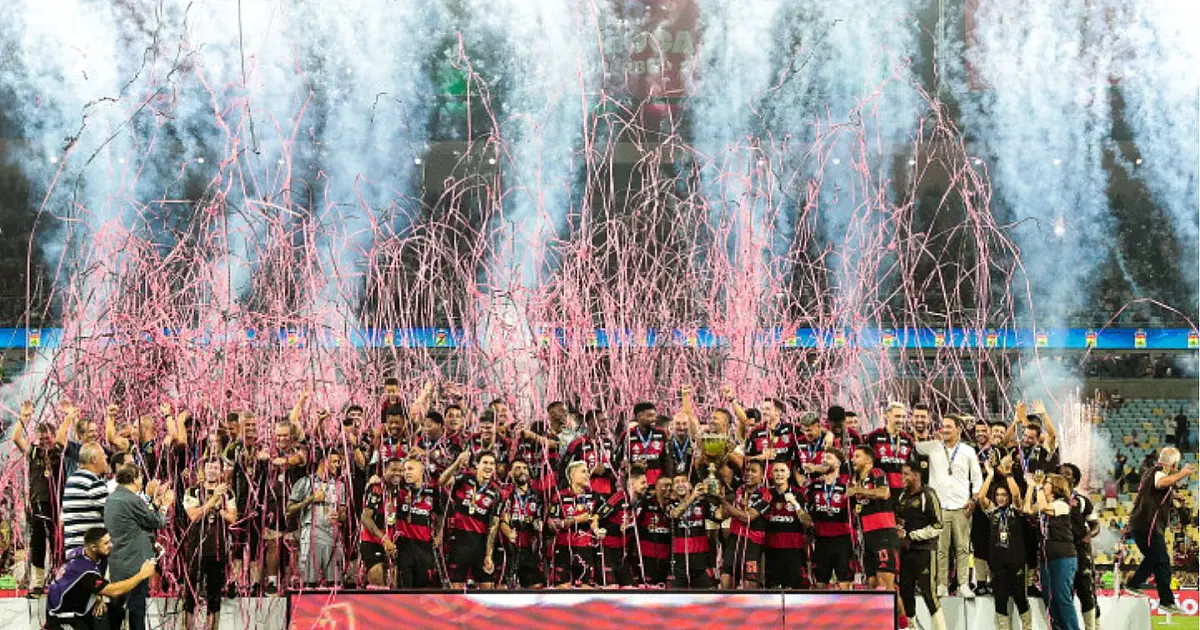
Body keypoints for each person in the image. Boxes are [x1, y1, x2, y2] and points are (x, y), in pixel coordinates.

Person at [916, 414, 981, 597]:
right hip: (940, 507)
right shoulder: (933, 447)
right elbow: (913, 445)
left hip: (961, 505)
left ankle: (963, 584)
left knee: (962, 548)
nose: (944, 429)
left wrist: (974, 499)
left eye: (948, 426)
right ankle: (942, 584)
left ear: (958, 429)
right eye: (943, 426)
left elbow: (977, 477)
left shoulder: (968, 451)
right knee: (940, 549)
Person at [1125, 447, 1193, 615]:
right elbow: (1160, 483)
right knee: (1161, 559)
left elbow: (1156, 489)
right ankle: (1166, 601)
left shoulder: (1149, 472)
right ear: (1174, 463)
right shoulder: (1159, 471)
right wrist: (1183, 473)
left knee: (1154, 557)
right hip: (1148, 524)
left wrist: (1174, 495)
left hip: (1141, 523)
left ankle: (1133, 584)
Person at [104, 463, 173, 630]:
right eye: (140, 477)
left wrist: (153, 504)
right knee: (136, 612)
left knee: (116, 612)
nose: (142, 481)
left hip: (118, 564)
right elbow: (156, 521)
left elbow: (140, 518)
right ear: (134, 479)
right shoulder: (131, 499)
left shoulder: (112, 498)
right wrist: (165, 505)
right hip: (136, 565)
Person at [45, 527, 157, 630]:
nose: (111, 545)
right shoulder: (84, 571)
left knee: (116, 612)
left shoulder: (88, 553)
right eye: (106, 543)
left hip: (79, 608)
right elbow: (114, 591)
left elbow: (85, 585)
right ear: (93, 547)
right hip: (62, 617)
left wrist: (98, 597)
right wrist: (141, 575)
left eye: (110, 541)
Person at [11, 400, 62, 594]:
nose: (43, 441)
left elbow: (62, 439)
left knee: (58, 542)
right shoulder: (34, 452)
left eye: (46, 438)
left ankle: (60, 578)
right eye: (41, 438)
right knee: (38, 543)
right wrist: (24, 416)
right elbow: (16, 438)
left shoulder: (58, 452)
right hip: (37, 504)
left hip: (56, 506)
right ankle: (38, 582)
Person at [181, 458, 236, 629]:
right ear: (203, 470)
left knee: (215, 594)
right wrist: (213, 500)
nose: (212, 470)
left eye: (215, 467)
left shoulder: (229, 493)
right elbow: (194, 516)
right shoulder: (192, 491)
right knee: (190, 593)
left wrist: (219, 509)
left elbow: (232, 518)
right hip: (196, 548)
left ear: (221, 471)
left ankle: (212, 627)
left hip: (217, 549)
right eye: (208, 467)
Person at [977, 456, 1030, 630]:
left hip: (1015, 559)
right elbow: (981, 497)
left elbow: (1016, 495)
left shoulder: (1015, 510)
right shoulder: (992, 511)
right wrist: (990, 475)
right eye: (998, 495)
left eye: (1003, 495)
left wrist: (1008, 475)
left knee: (1020, 596)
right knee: (1000, 597)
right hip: (997, 561)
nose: (1000, 498)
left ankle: (1027, 627)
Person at [440, 450, 503, 589]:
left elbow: (493, 526)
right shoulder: (464, 479)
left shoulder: (496, 492)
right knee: (456, 590)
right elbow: (442, 481)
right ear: (477, 465)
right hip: (459, 542)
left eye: (492, 463)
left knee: (487, 590)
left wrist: (488, 555)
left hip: (480, 544)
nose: (488, 466)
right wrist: (457, 462)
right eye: (485, 462)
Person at [287, 449, 348, 587]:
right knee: (310, 582)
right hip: (312, 535)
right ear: (323, 462)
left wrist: (340, 516)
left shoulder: (340, 486)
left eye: (339, 462)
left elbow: (343, 514)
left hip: (333, 535)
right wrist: (311, 499)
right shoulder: (304, 482)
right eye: (334, 461)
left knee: (335, 583)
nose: (338, 465)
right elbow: (289, 510)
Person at [896, 462, 945, 630]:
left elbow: (939, 525)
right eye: (902, 474)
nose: (902, 478)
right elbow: (899, 520)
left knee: (928, 594)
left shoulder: (928, 494)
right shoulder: (902, 496)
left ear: (916, 476)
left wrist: (913, 535)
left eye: (906, 474)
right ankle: (912, 627)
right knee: (905, 592)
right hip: (906, 552)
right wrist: (899, 529)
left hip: (925, 551)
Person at [1030, 473, 1080, 630]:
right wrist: (1031, 486)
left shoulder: (1062, 504)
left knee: (1061, 596)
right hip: (1047, 557)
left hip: (1063, 556)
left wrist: (1037, 486)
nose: (1044, 484)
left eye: (1047, 482)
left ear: (1056, 487)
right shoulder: (1044, 502)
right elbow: (1027, 509)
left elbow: (1045, 508)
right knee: (1049, 597)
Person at [848, 445, 899, 593]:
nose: (853, 459)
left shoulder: (877, 473)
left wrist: (858, 490)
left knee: (886, 586)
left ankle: (903, 617)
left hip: (883, 534)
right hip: (866, 537)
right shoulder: (855, 479)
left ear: (869, 460)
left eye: (857, 456)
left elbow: (884, 493)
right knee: (872, 584)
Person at [717, 459, 769, 588]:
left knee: (749, 583)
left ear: (762, 475)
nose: (749, 473)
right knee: (725, 578)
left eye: (753, 471)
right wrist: (721, 509)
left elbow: (747, 518)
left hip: (752, 544)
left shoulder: (765, 495)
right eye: (747, 470)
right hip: (733, 540)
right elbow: (724, 514)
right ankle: (725, 607)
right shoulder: (739, 490)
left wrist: (723, 501)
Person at [1061, 463, 1100, 630]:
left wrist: (1087, 537)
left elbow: (1096, 525)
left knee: (1086, 592)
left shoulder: (1082, 501)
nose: (1063, 476)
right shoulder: (1051, 500)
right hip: (1061, 553)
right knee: (1065, 596)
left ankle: (1092, 627)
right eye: (1060, 473)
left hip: (1080, 551)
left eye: (1067, 474)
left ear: (1074, 478)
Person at [594, 464, 648, 587]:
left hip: (622, 552)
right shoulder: (618, 498)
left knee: (629, 588)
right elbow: (597, 516)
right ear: (632, 483)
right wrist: (599, 531)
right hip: (607, 550)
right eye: (643, 482)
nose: (646, 485)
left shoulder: (640, 502)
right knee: (611, 588)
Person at [807, 450, 854, 589]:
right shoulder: (814, 485)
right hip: (821, 540)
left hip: (843, 540)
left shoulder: (848, 483)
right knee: (820, 584)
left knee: (845, 583)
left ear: (839, 463)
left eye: (828, 457)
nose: (824, 460)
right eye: (822, 458)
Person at [549, 461, 600, 587]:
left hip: (586, 548)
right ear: (572, 475)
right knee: (562, 587)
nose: (587, 475)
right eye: (583, 471)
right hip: (563, 548)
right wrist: (576, 520)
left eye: (588, 472)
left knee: (585, 587)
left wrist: (597, 525)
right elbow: (551, 523)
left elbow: (598, 518)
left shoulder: (594, 496)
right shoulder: (559, 496)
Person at [395, 457, 444, 587]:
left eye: (410, 469)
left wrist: (439, 534)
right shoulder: (398, 490)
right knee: (405, 589)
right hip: (404, 546)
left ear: (421, 471)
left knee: (422, 589)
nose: (406, 472)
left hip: (424, 546)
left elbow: (440, 515)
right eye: (404, 470)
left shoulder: (432, 492)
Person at [762, 461, 810, 589]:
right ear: (771, 474)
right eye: (776, 471)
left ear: (789, 474)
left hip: (793, 548)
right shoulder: (766, 495)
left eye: (782, 471)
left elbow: (808, 522)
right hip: (771, 549)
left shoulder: (798, 495)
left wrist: (796, 504)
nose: (779, 474)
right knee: (772, 586)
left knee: (795, 586)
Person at [500, 459, 547, 588]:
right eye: (518, 468)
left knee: (536, 586)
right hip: (507, 549)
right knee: (504, 588)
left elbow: (539, 519)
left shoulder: (536, 496)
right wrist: (508, 531)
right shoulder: (504, 492)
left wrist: (538, 525)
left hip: (529, 550)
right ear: (509, 473)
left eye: (525, 468)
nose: (522, 471)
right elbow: (501, 519)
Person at [359, 458, 404, 587]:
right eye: (394, 470)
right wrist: (384, 539)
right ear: (384, 470)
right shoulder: (377, 488)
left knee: (393, 585)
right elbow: (365, 518)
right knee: (378, 582)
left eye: (400, 470)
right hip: (372, 542)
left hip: (389, 544)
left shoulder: (396, 489)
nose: (398, 473)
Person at [667, 473, 717, 588]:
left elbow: (719, 516)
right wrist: (692, 497)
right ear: (673, 488)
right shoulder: (670, 504)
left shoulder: (703, 504)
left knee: (706, 600)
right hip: (679, 565)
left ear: (690, 485)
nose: (680, 484)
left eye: (683, 481)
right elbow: (674, 514)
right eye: (676, 482)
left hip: (701, 564)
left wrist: (720, 498)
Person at [63, 443, 112, 552]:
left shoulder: (72, 479)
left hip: (74, 548)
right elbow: (112, 514)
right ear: (94, 459)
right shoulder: (93, 481)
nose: (106, 458)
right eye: (103, 455)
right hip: (90, 551)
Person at [864, 402, 917, 501]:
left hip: (902, 492)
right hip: (880, 491)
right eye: (897, 416)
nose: (900, 420)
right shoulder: (873, 437)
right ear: (886, 415)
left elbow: (912, 467)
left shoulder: (908, 439)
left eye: (903, 417)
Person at [633, 475, 673, 586]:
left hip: (666, 556)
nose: (668, 488)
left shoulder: (674, 506)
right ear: (656, 488)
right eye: (664, 486)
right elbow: (634, 524)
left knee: (662, 586)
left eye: (670, 485)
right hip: (647, 555)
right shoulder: (645, 503)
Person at [618, 402, 670, 486]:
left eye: (654, 416)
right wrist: (633, 465)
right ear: (639, 417)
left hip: (657, 483)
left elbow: (667, 459)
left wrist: (667, 478)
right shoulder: (627, 435)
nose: (654, 419)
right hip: (636, 483)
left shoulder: (661, 433)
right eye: (649, 416)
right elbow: (619, 460)